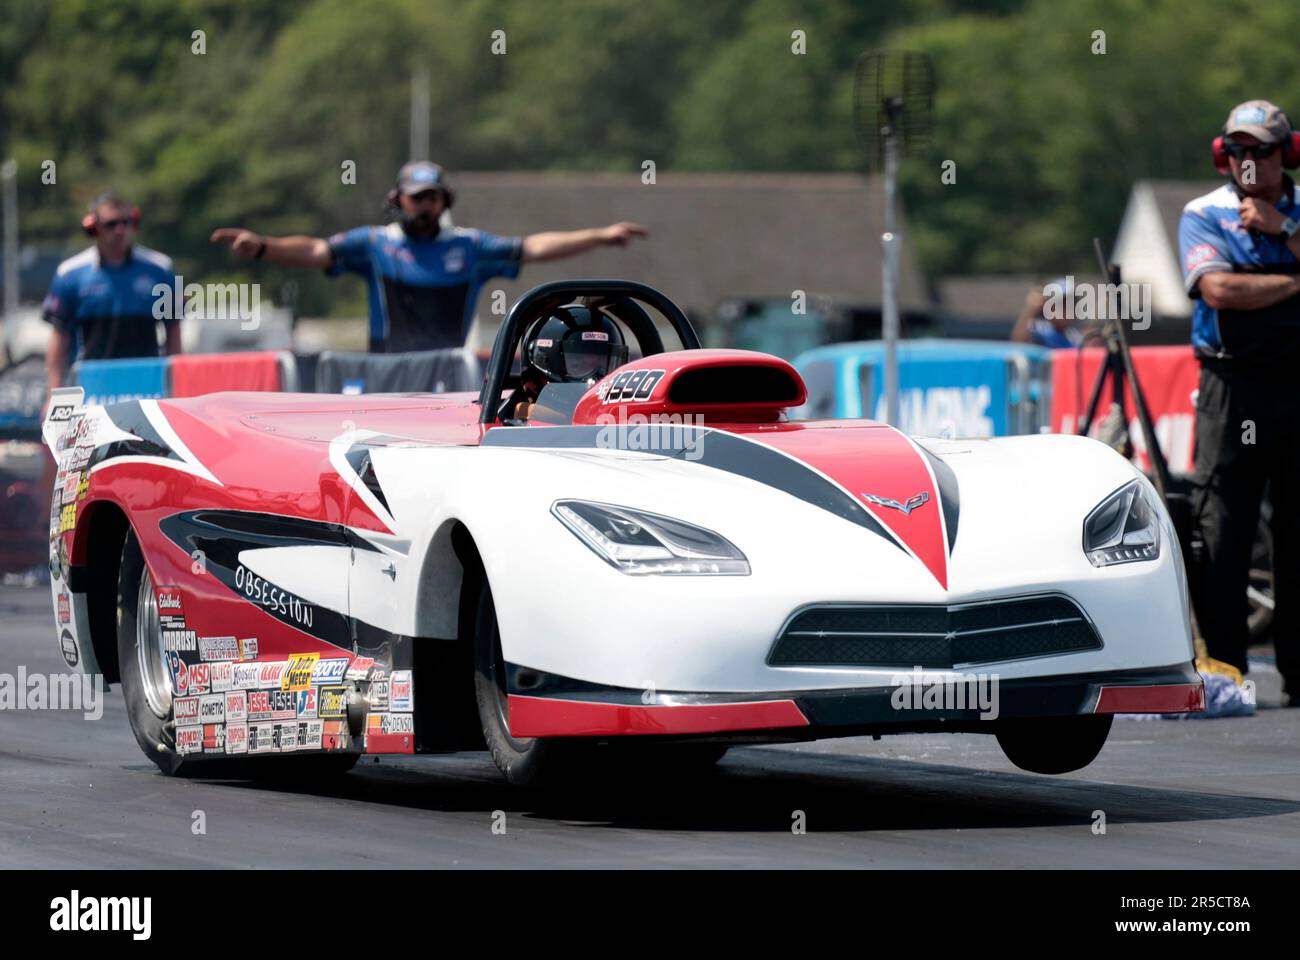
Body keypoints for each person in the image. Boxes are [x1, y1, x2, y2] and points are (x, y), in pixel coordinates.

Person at [210, 161, 648, 354]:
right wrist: (264, 246)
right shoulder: (375, 244)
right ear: (398, 200)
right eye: (417, 197)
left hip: (450, 377)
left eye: (433, 197)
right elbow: (316, 249)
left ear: (444, 202)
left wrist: (601, 236)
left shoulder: (469, 247)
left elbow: (532, 247)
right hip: (387, 378)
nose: (425, 205)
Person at [1178, 99, 1300, 706]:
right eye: (1239, 151)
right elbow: (1220, 289)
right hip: (1235, 390)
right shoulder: (1205, 213)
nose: (1250, 163)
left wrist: (1283, 231)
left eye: (1263, 151)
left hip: (1295, 384)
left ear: (1288, 154)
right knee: (1224, 530)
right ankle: (1225, 671)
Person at [43, 191, 181, 394]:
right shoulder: (71, 273)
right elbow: (59, 338)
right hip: (91, 386)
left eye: (126, 222)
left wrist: (175, 387)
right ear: (94, 227)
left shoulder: (160, 269)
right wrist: (52, 394)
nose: (120, 230)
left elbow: (173, 331)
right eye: (111, 224)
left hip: (146, 384)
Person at [1010, 276, 1084, 348]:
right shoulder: (1038, 330)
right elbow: (1018, 346)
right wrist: (1031, 310)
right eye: (1062, 305)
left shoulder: (1074, 337)